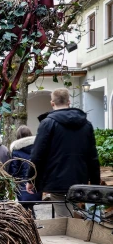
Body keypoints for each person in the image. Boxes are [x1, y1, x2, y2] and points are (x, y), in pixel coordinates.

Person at [26, 88, 100, 217]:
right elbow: (92, 156)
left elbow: (37, 154)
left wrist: (31, 179)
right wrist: (95, 182)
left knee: (64, 219)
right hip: (79, 178)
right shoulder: (86, 125)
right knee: (70, 215)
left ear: (52, 103)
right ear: (69, 102)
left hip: (56, 178)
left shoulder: (47, 123)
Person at [9, 125, 42, 210]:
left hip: (22, 184)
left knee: (25, 209)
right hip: (36, 183)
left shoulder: (16, 150)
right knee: (31, 208)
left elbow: (14, 170)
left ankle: (30, 222)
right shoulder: (38, 147)